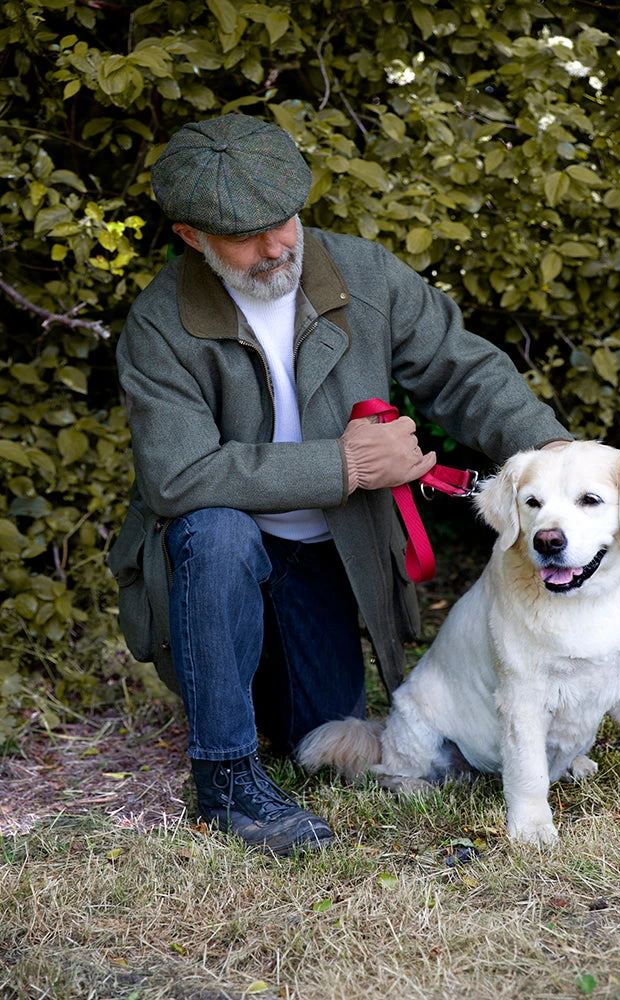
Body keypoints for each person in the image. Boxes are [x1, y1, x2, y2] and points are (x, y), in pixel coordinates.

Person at [109, 114, 571, 856]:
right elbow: (178, 475)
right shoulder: (159, 323)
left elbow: (462, 369)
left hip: (330, 555)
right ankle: (223, 778)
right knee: (215, 528)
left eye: (284, 219)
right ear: (190, 236)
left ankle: (249, 699)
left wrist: (553, 451)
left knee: (318, 738)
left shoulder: (360, 272)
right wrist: (347, 465)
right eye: (246, 234)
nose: (277, 245)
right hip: (222, 560)